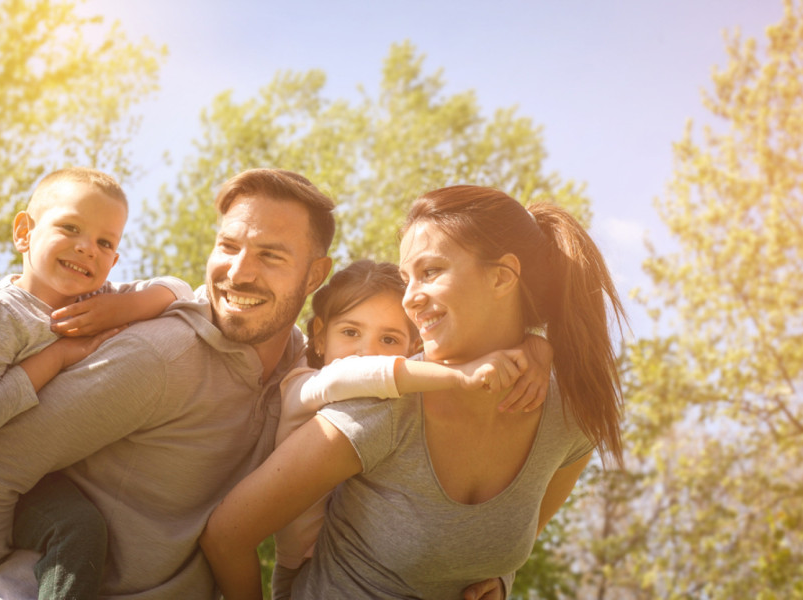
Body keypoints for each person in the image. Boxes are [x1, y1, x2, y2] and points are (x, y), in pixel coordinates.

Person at [201, 185, 627, 599]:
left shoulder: (570, 414)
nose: (410, 300)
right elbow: (226, 537)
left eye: (431, 272)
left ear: (502, 277)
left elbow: (508, 544)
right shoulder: (385, 403)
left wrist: (499, 583)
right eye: (407, 278)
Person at [0, 168, 336, 600]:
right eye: (229, 246)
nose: (239, 273)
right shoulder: (161, 356)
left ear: (315, 276)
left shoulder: (304, 367)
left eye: (271, 255)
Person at [0, 166, 194, 600]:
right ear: (24, 232)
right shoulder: (1, 314)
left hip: (55, 472)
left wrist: (127, 307)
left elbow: (179, 290)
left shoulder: (95, 301)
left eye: (105, 243)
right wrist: (58, 355)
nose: (87, 248)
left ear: (114, 260)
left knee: (96, 531)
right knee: (78, 529)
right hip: (6, 491)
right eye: (70, 228)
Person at [263, 259, 552, 599]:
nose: (366, 351)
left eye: (388, 339)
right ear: (320, 337)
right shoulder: (304, 385)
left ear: (414, 350)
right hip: (305, 567)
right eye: (350, 332)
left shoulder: (399, 408)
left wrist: (538, 348)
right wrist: (461, 375)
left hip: (384, 558)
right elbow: (356, 375)